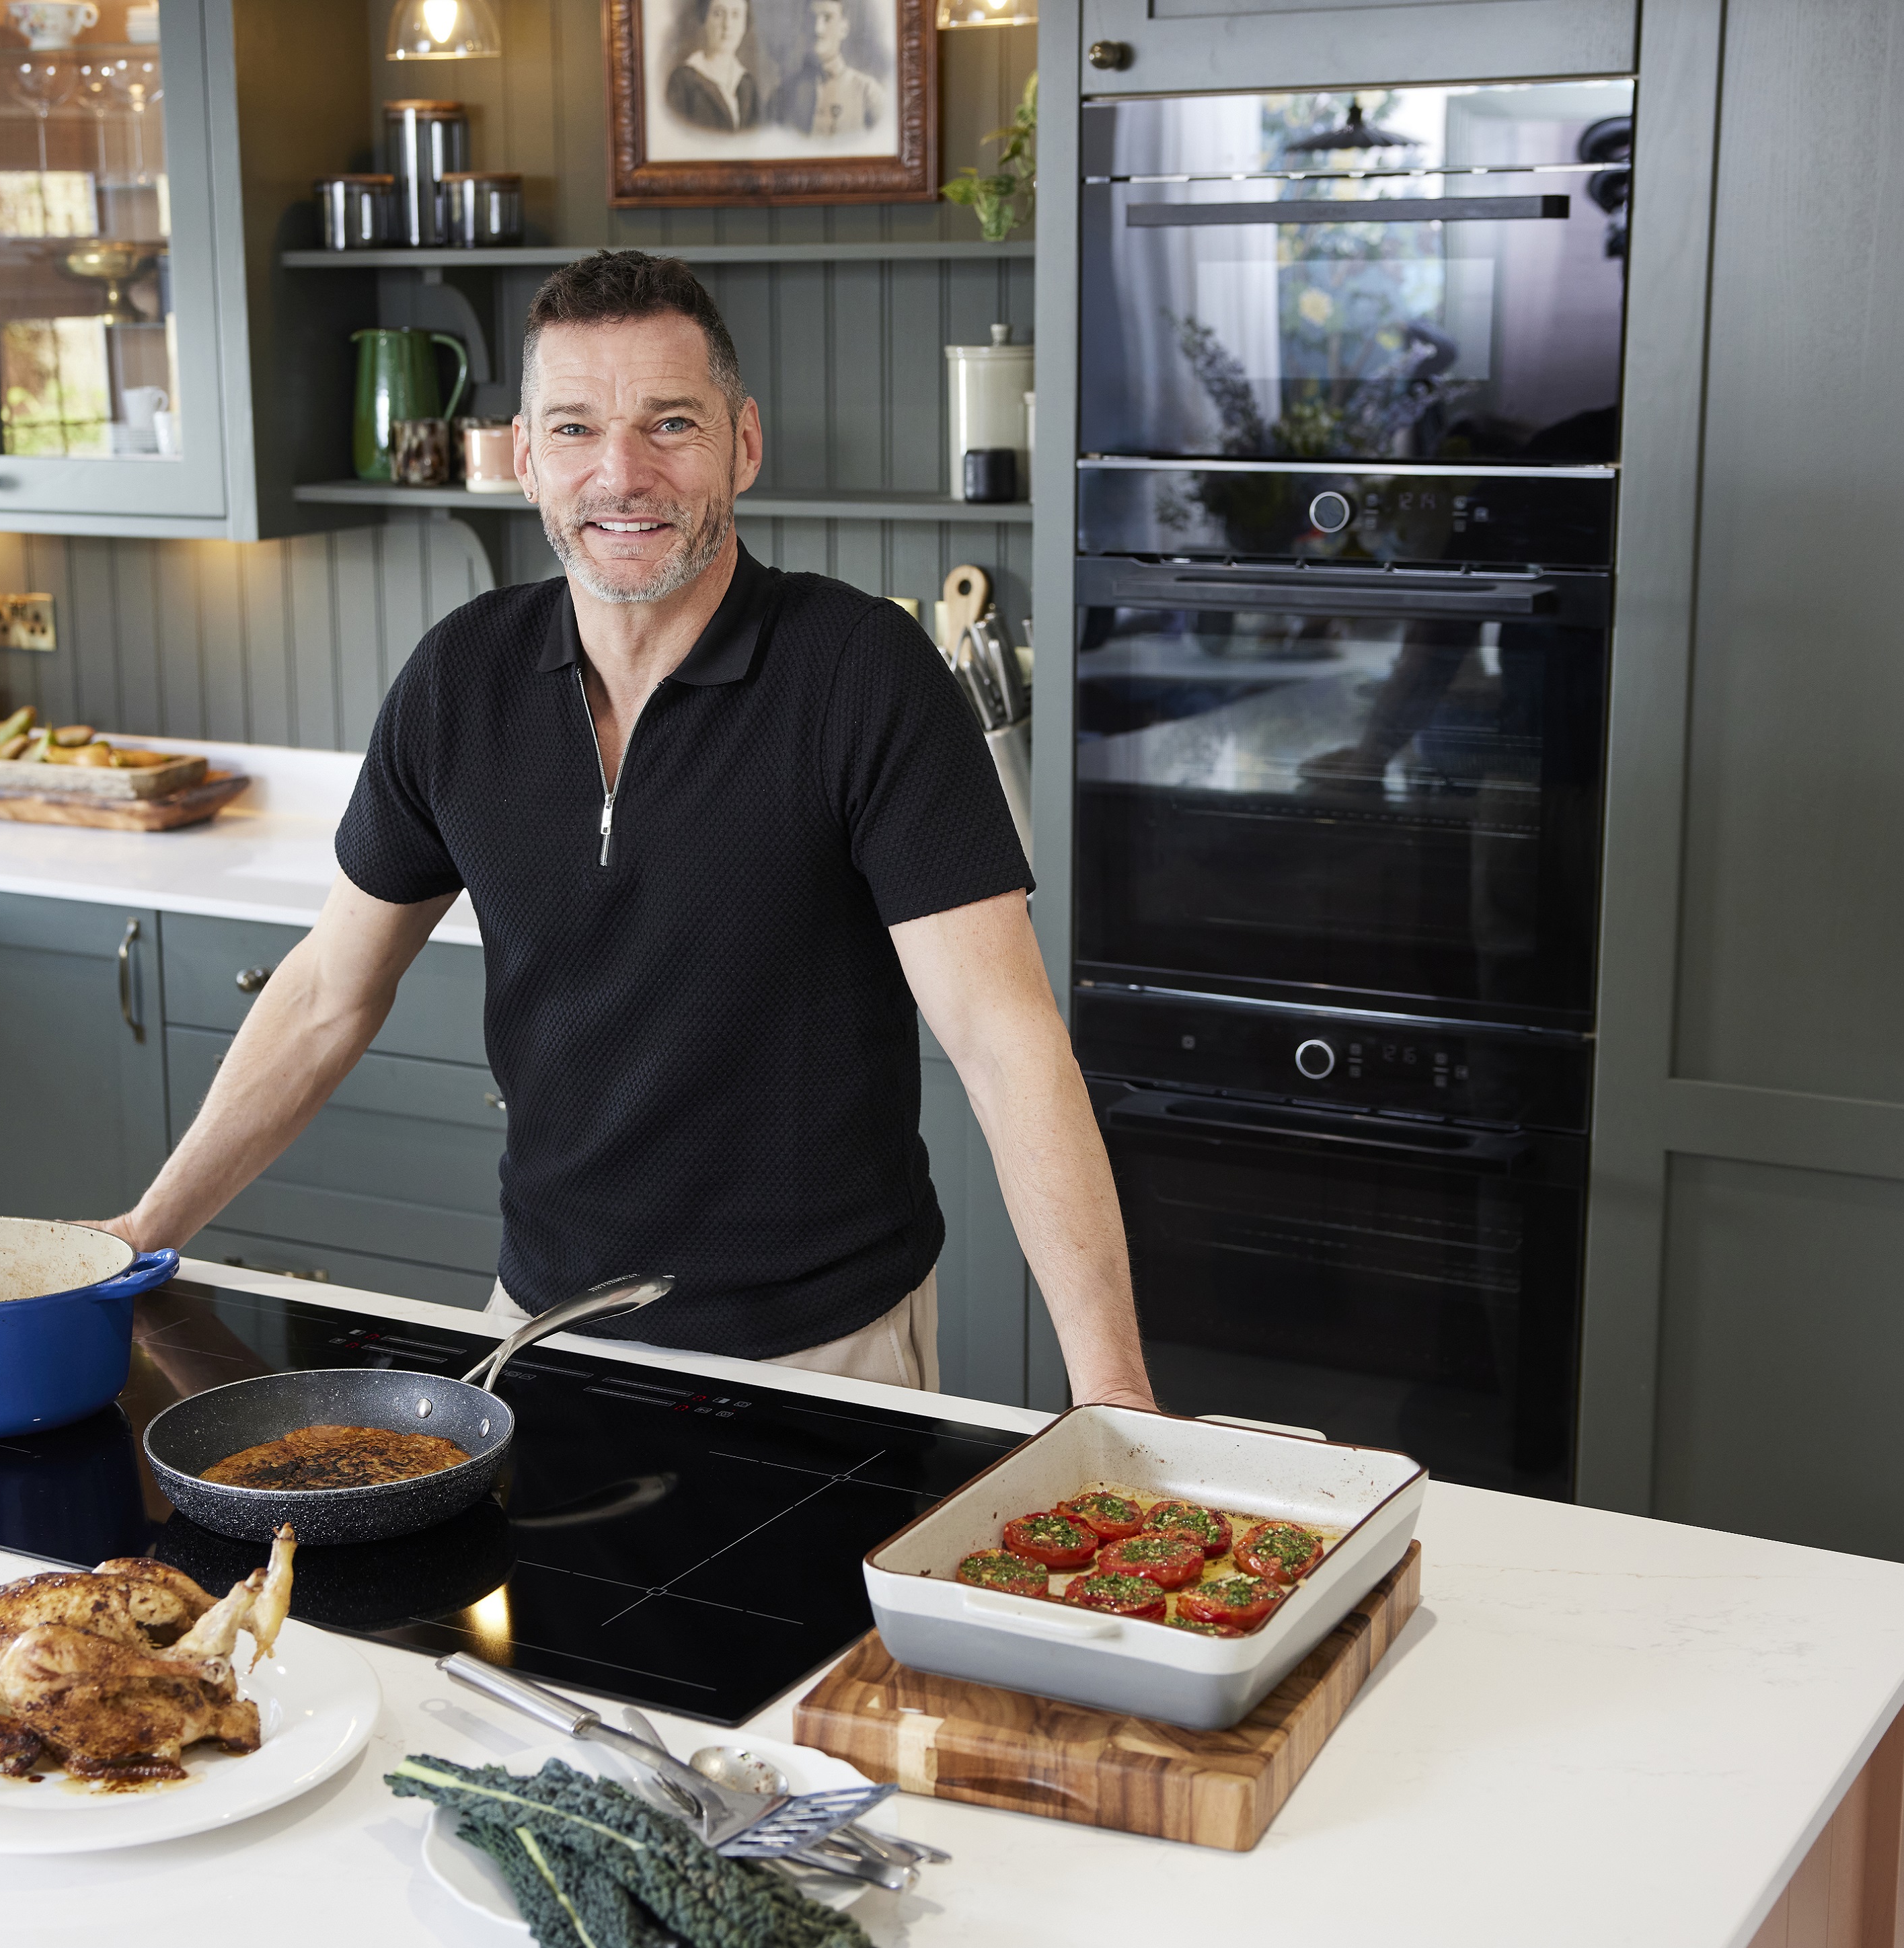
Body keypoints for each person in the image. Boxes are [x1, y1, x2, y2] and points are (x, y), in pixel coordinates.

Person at [100, 251, 1151, 1407]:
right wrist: (144, 1227)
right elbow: (326, 994)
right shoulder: (463, 680)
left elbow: (1006, 1044)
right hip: (537, 1331)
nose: (621, 474)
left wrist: (1114, 1397)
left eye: (669, 424)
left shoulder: (862, 676)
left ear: (744, 444)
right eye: (575, 429)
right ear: (523, 458)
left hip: (824, 1354)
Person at [765, 0, 886, 139]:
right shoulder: (782, 95)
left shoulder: (869, 93)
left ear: (844, 29)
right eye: (811, 18)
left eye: (827, 18)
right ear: (803, 26)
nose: (818, 29)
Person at [665, 0, 757, 132]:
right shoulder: (682, 81)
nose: (728, 25)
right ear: (705, 19)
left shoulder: (748, 84)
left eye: (736, 14)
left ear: (745, 24)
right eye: (719, 14)